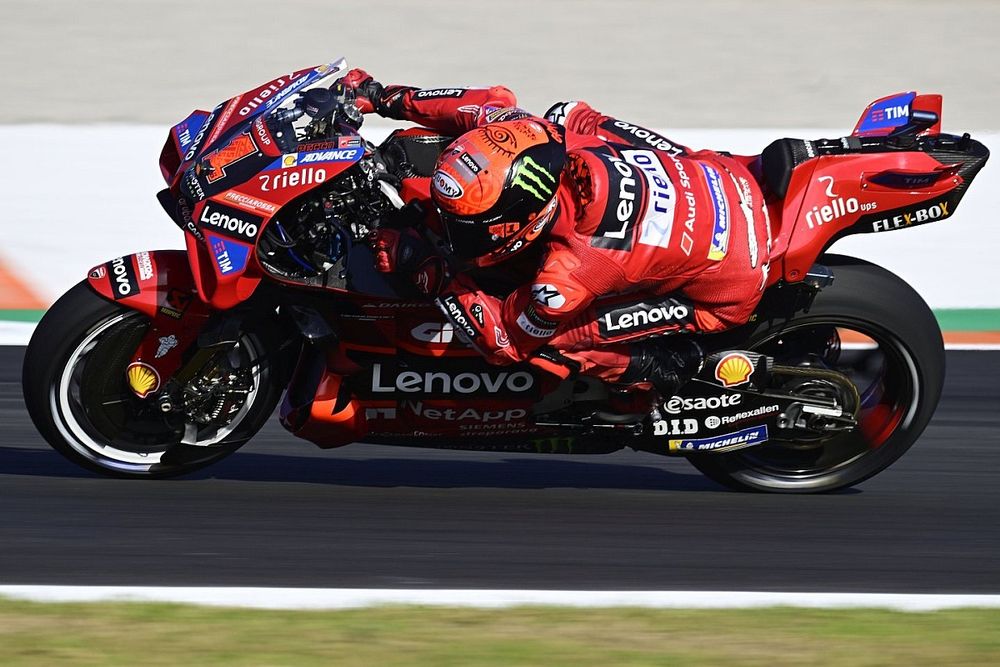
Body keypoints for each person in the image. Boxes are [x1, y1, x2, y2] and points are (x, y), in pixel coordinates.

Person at [342, 69, 771, 397]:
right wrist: (384, 98)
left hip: (726, 284)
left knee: (555, 338)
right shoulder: (532, 134)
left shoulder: (569, 272)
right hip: (725, 178)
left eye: (468, 227)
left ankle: (655, 376)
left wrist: (431, 269)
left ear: (528, 222)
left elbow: (506, 344)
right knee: (567, 116)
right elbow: (485, 105)